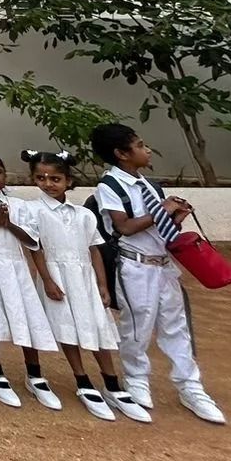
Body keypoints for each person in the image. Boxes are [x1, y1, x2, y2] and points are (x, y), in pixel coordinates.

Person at [89, 122, 225, 424]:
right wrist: (161, 210)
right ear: (122, 154)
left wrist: (174, 217)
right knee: (137, 324)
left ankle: (190, 386)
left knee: (176, 325)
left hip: (162, 265)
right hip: (134, 266)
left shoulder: (149, 185)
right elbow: (124, 226)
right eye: (139, 145)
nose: (147, 150)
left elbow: (159, 230)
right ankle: (137, 378)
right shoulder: (109, 186)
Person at [22, 149, 151, 423]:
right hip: (57, 276)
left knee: (97, 328)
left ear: (68, 181)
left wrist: (103, 285)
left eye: (55, 178)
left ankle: (112, 384)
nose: (48, 183)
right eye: (41, 178)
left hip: (85, 279)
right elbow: (36, 248)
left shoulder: (84, 215)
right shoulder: (33, 210)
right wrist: (47, 280)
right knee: (68, 328)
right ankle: (82, 380)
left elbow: (94, 250)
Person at [0, 149, 60, 409]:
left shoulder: (18, 204)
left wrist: (9, 224)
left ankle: (35, 373)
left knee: (26, 316)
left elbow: (33, 241)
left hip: (16, 269)